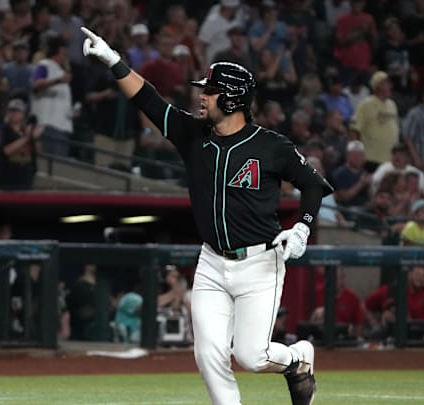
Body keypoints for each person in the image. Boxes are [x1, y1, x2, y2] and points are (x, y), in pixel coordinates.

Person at [82, 26, 333, 405]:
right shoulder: (193, 134)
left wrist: (301, 228)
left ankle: (298, 359)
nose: (202, 95)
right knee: (207, 354)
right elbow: (149, 101)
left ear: (230, 99)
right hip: (212, 261)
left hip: (260, 262)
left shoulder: (271, 145)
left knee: (251, 356)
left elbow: (314, 185)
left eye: (210, 91)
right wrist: (114, 61)